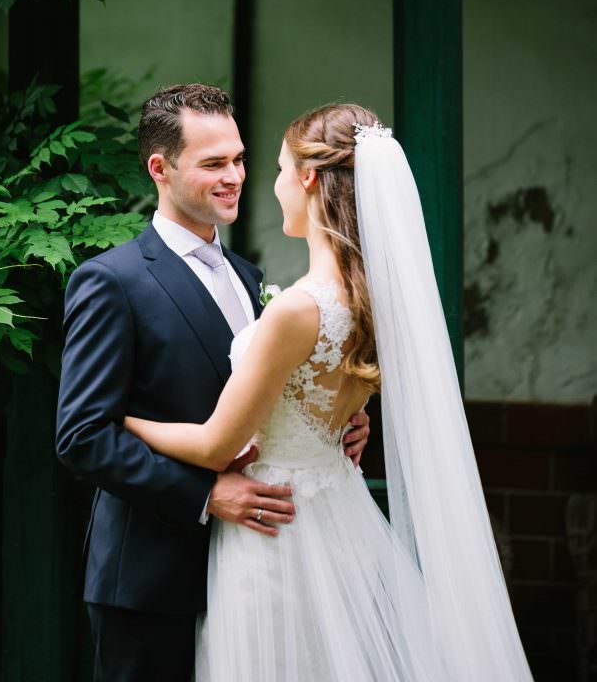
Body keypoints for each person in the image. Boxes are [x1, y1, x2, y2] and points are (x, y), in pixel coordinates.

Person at [124, 101, 535, 681]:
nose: (265, 184)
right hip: (340, 524)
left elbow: (218, 446)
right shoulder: (371, 301)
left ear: (309, 178)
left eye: (273, 168)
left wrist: (127, 421)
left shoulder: (298, 307)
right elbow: (328, 407)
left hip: (273, 536)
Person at [55, 84, 370, 682]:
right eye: (213, 163)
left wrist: (334, 416)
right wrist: (203, 496)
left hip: (260, 568)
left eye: (240, 159)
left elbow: (271, 395)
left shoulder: (253, 277)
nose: (235, 176)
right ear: (160, 168)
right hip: (151, 581)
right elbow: (82, 436)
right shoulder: (111, 282)